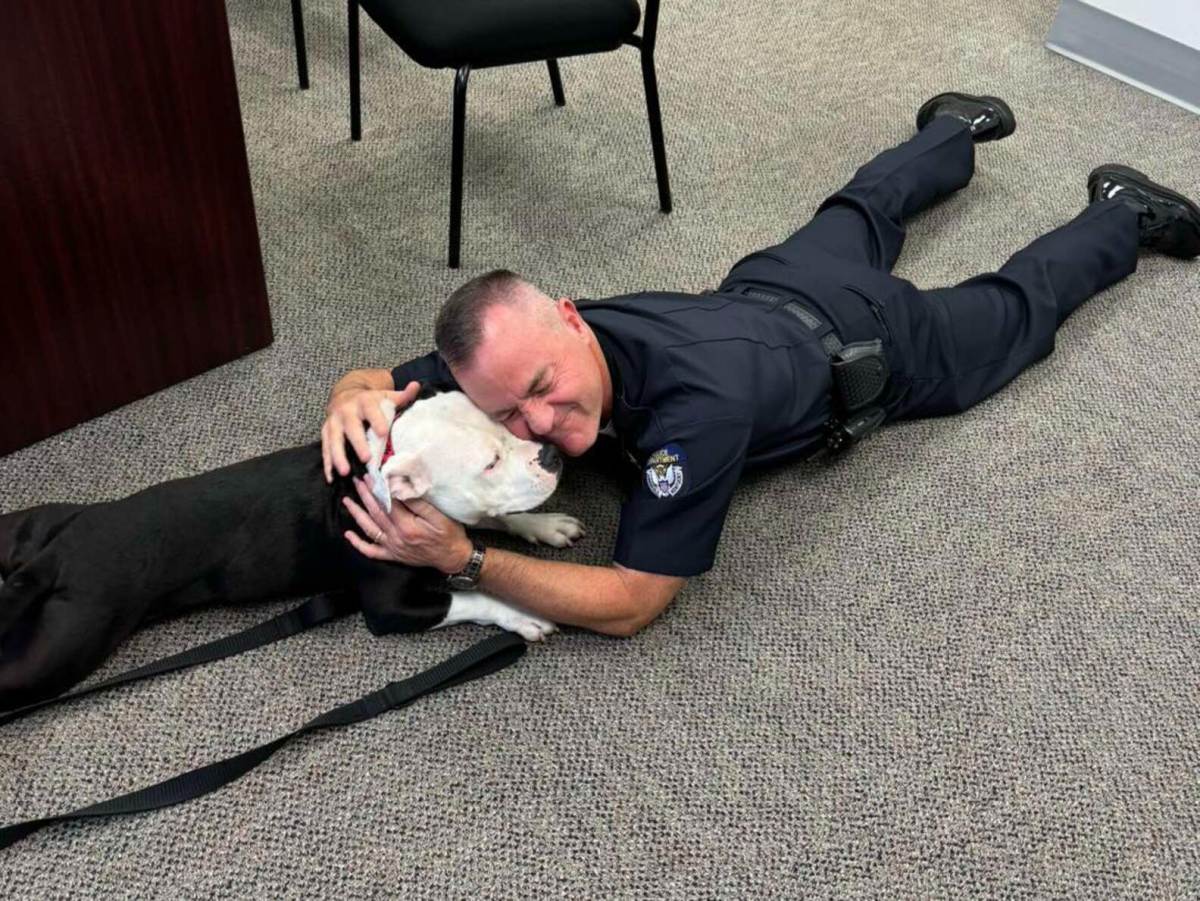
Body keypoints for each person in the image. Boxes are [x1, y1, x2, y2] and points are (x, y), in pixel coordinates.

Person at [321, 91, 1200, 638]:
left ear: (569, 319)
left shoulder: (696, 419)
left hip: (875, 343)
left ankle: (1125, 211)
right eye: (507, 412)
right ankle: (954, 126)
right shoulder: (521, 349)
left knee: (1013, 314)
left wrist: (465, 560)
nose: (538, 426)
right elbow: (392, 379)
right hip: (769, 286)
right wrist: (350, 396)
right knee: (860, 210)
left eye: (543, 392)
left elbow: (632, 603)